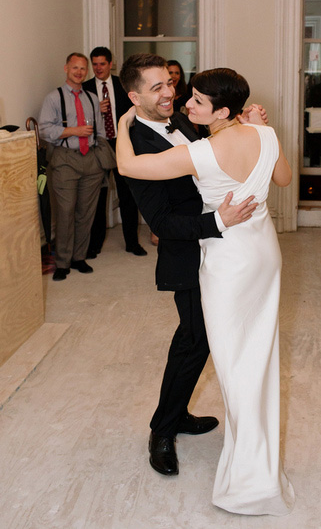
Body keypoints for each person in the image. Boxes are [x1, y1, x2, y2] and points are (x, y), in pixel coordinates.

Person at [117, 63, 295, 516]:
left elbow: (217, 155)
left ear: (219, 110)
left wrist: (242, 127)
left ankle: (179, 418)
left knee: (210, 346)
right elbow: (159, 223)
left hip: (230, 257)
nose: (173, 95)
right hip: (201, 249)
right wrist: (217, 220)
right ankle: (163, 429)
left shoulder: (187, 121)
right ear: (134, 97)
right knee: (197, 341)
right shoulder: (140, 136)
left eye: (174, 86)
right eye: (159, 87)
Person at [39, 53, 106, 281]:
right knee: (66, 213)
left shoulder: (91, 98)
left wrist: (100, 155)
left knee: (86, 213)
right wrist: (72, 131)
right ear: (66, 68)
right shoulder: (53, 98)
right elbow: (44, 130)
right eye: (75, 68)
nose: (79, 72)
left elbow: (99, 131)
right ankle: (62, 262)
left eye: (82, 69)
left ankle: (79, 257)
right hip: (65, 159)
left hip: (91, 160)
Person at [83, 46, 147, 257]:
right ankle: (95, 244)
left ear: (111, 64)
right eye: (95, 64)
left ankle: (132, 242)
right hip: (98, 146)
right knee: (98, 196)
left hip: (123, 144)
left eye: (102, 63)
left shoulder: (123, 85)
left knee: (127, 194)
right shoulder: (85, 88)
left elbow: (137, 112)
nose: (98, 68)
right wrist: (94, 110)